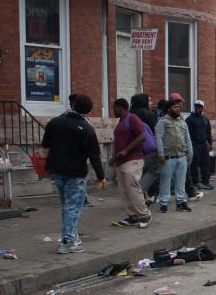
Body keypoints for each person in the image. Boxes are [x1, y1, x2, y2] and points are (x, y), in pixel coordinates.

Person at [41, 94, 105, 253]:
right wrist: (101, 176)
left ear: (73, 105)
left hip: (57, 169)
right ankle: (68, 241)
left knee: (67, 206)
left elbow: (45, 143)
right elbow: (94, 155)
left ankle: (72, 236)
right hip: (75, 172)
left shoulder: (55, 122)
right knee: (72, 207)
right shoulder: (87, 128)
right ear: (88, 110)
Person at [110, 98, 151, 228]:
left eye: (114, 108)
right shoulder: (121, 122)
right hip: (121, 161)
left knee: (132, 187)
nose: (113, 111)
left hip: (133, 159)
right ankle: (133, 216)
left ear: (120, 107)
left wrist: (126, 150)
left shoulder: (132, 118)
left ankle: (144, 215)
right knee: (124, 189)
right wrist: (114, 157)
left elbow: (142, 136)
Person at [155, 93, 194, 213]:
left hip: (181, 156)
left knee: (181, 182)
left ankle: (181, 202)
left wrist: (190, 152)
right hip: (168, 157)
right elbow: (159, 138)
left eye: (179, 107)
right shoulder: (162, 122)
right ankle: (163, 203)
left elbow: (187, 138)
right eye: (175, 107)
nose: (178, 109)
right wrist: (161, 153)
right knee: (165, 180)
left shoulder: (183, 122)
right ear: (169, 109)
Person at [186, 100, 213, 190]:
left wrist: (210, 143)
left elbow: (208, 132)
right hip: (194, 144)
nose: (198, 108)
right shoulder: (189, 119)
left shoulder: (205, 119)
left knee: (205, 163)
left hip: (203, 144)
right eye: (196, 106)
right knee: (194, 164)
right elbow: (187, 133)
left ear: (202, 108)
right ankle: (195, 182)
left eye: (200, 107)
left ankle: (206, 181)